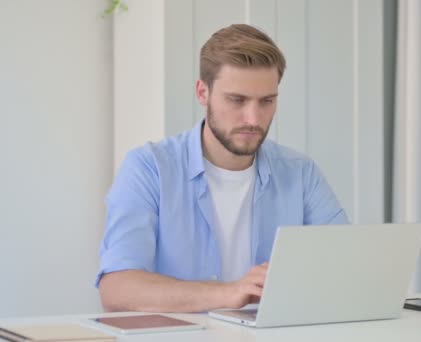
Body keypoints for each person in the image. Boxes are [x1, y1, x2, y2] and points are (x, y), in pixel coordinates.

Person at [96, 24, 348, 313]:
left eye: (267, 101)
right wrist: (229, 293)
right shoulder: (149, 168)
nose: (253, 118)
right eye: (237, 100)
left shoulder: (300, 173)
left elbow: (345, 266)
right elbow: (117, 289)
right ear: (203, 93)